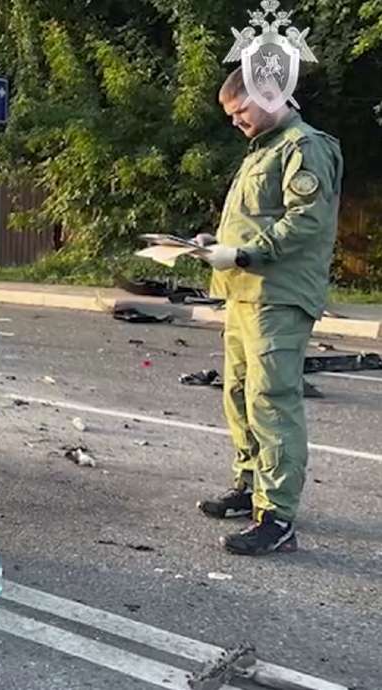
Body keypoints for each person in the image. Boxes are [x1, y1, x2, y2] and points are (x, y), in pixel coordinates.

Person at [193, 66, 343, 556]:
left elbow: (305, 221)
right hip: (246, 293)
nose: (236, 122)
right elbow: (255, 221)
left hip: (278, 295)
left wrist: (242, 253)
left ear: (271, 94)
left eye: (241, 112)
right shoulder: (264, 150)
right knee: (238, 393)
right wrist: (215, 246)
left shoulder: (304, 147)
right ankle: (250, 486)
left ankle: (277, 517)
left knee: (272, 400)